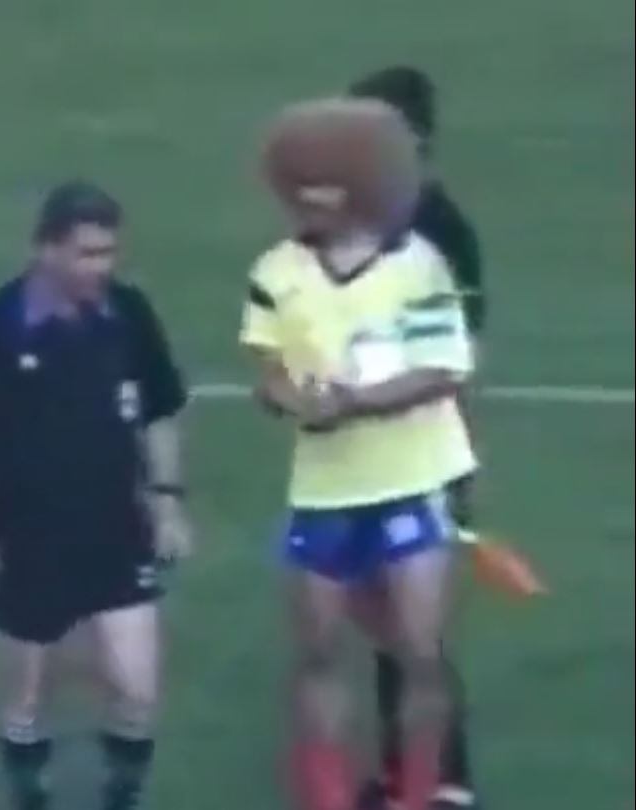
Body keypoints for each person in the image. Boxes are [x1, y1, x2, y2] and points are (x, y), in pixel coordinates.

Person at [240, 99, 477, 810]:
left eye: (321, 182)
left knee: (418, 652)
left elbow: (441, 368)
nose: (305, 197)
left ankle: (418, 791)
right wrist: (289, 398)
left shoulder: (418, 267)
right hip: (323, 492)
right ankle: (328, 799)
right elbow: (269, 370)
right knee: (317, 654)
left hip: (409, 482)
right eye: (299, 181)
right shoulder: (275, 271)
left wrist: (354, 403)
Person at [0, 180, 193, 810]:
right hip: (25, 535)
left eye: (109, 252)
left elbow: (160, 410)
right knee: (26, 697)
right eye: (87, 253)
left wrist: (166, 499)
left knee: (137, 690)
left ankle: (121, 796)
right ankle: (31, 796)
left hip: (116, 529)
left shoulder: (129, 314)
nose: (101, 267)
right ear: (46, 249)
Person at [348, 66, 485, 810]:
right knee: (387, 626)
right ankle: (408, 775)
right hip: (370, 454)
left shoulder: (438, 234)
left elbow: (454, 363)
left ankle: (444, 785)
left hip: (418, 456)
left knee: (413, 631)